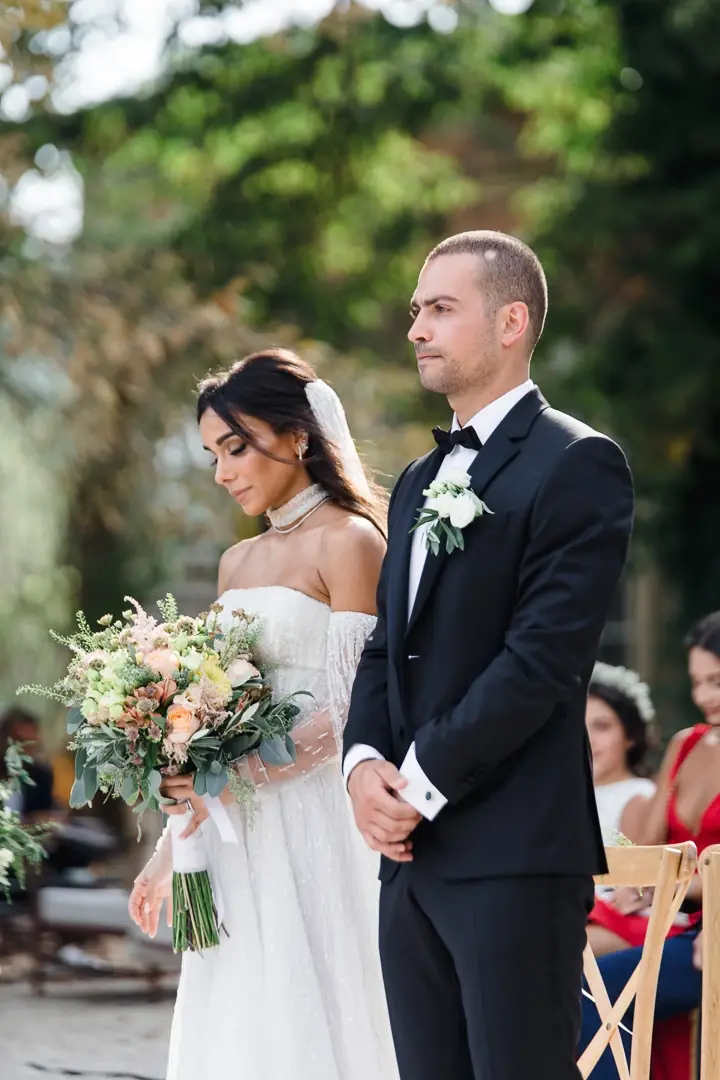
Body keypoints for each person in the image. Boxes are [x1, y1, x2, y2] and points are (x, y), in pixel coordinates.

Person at [343, 230, 635, 1080]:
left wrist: (418, 782)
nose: (416, 330)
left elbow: (542, 662)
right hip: (410, 865)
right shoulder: (414, 479)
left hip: (514, 855)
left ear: (511, 320)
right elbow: (383, 648)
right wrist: (364, 765)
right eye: (414, 311)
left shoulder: (578, 462)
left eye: (439, 308)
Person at [128, 349, 400, 1080]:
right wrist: (166, 845)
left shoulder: (352, 541)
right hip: (233, 831)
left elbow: (355, 708)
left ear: (299, 436)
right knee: (242, 1010)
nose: (223, 471)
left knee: (316, 1002)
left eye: (236, 446)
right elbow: (204, 717)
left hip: (316, 818)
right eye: (214, 454)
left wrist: (236, 773)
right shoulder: (235, 563)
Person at [579, 612, 720, 1079]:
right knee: (556, 959)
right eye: (697, 682)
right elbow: (643, 847)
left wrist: (672, 883)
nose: (703, 696)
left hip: (703, 922)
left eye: (715, 681)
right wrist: (635, 878)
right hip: (669, 912)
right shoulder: (687, 745)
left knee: (591, 990)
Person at [586, 662, 656, 848]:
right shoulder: (563, 794)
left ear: (630, 736)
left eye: (601, 727)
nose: (587, 739)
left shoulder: (639, 799)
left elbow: (635, 873)